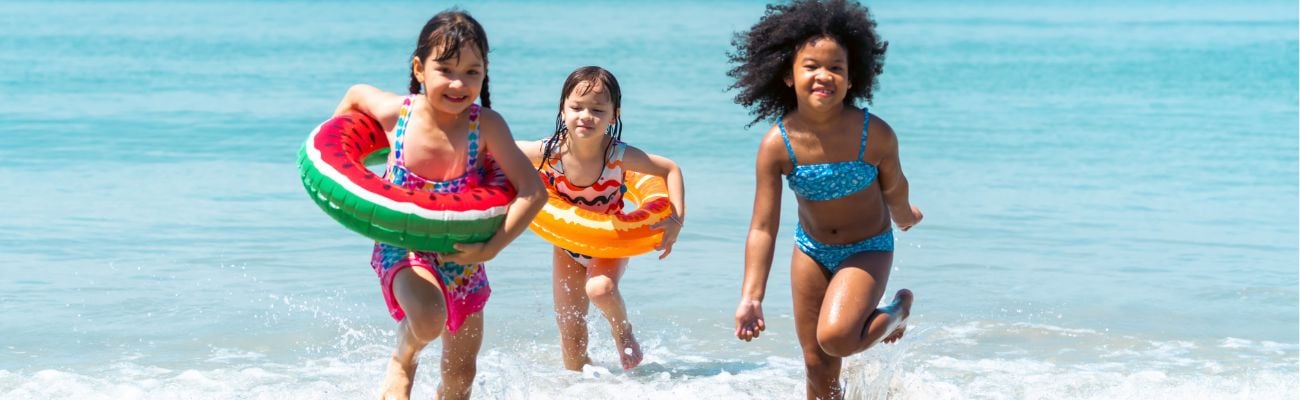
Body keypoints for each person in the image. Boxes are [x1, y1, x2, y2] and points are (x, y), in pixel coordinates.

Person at [332, 9, 545, 400]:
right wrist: (344, 168)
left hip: (463, 255)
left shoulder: (488, 126)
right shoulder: (398, 114)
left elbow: (533, 191)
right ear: (419, 69)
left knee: (460, 379)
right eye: (445, 69)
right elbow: (355, 95)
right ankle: (403, 359)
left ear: (484, 74)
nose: (458, 83)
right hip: (402, 243)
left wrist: (492, 247)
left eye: (471, 72)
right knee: (429, 319)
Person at [727, 1, 922, 398]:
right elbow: (763, 227)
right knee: (818, 366)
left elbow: (895, 187)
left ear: (853, 80)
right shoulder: (776, 145)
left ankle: (898, 310)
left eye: (837, 68)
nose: (824, 76)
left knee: (836, 338)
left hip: (867, 249)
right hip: (811, 251)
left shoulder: (875, 134)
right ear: (787, 75)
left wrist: (904, 214)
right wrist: (751, 295)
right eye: (812, 65)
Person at [517, 66, 686, 371]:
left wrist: (676, 220)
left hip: (612, 239)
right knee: (571, 338)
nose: (586, 116)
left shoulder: (617, 154)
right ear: (562, 109)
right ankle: (582, 389)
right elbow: (504, 152)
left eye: (597, 109)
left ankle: (622, 331)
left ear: (613, 115)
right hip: (568, 244)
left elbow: (670, 169)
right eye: (577, 107)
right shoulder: (549, 152)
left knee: (600, 289)